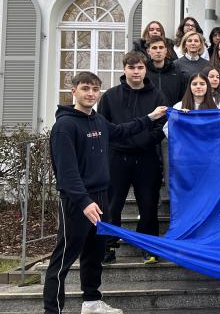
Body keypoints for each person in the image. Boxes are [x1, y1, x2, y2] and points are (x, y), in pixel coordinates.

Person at [43, 72, 166, 314]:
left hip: (101, 197)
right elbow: (67, 173)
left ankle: (91, 302)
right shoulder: (64, 127)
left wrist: (150, 117)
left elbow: (121, 130)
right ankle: (52, 310)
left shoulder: (98, 120)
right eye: (85, 88)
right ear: (74, 91)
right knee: (63, 258)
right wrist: (84, 202)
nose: (90, 94)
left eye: (95, 89)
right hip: (78, 202)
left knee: (94, 254)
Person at [98, 52, 168, 265]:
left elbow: (162, 127)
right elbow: (104, 126)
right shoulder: (110, 96)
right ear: (124, 69)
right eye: (131, 68)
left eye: (140, 68)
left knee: (148, 204)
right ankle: (108, 246)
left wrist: (145, 140)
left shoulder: (157, 96)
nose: (136, 72)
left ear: (145, 69)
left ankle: (148, 247)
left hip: (146, 157)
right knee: (112, 205)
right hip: (117, 157)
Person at [163, 72, 218, 137]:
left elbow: (219, 129)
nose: (198, 86)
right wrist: (178, 118)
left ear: (207, 86)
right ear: (189, 87)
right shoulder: (179, 106)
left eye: (202, 84)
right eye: (194, 84)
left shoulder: (216, 106)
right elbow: (167, 129)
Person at [145, 35, 186, 107]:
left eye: (161, 47)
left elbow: (183, 97)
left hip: (171, 112)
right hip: (149, 113)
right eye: (154, 48)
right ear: (148, 51)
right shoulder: (143, 73)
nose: (158, 51)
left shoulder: (176, 72)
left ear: (166, 50)